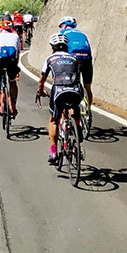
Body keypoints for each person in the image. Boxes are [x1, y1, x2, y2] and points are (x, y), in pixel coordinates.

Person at [36, 31, 85, 165]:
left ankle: (53, 153)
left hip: (58, 91)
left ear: (52, 47)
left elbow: (41, 80)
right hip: (76, 90)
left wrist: (40, 91)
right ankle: (77, 125)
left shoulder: (50, 59)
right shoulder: (75, 58)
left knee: (53, 121)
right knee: (74, 107)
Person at [58, 16, 94, 109]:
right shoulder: (83, 34)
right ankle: (88, 110)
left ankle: (72, 108)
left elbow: (59, 51)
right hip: (87, 60)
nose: (61, 28)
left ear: (64, 25)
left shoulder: (62, 33)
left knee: (70, 85)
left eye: (61, 26)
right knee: (87, 87)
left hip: (72, 60)